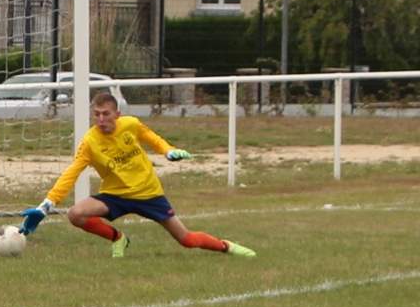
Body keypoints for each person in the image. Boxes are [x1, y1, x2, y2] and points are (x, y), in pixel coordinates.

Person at [19, 92, 257, 258]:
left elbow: (151, 137)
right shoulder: (90, 142)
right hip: (116, 195)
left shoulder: (130, 125)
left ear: (117, 114)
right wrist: (46, 205)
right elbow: (71, 173)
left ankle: (226, 247)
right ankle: (118, 239)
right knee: (76, 214)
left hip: (149, 193)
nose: (101, 119)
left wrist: (168, 150)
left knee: (186, 240)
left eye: (106, 114)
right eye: (97, 114)